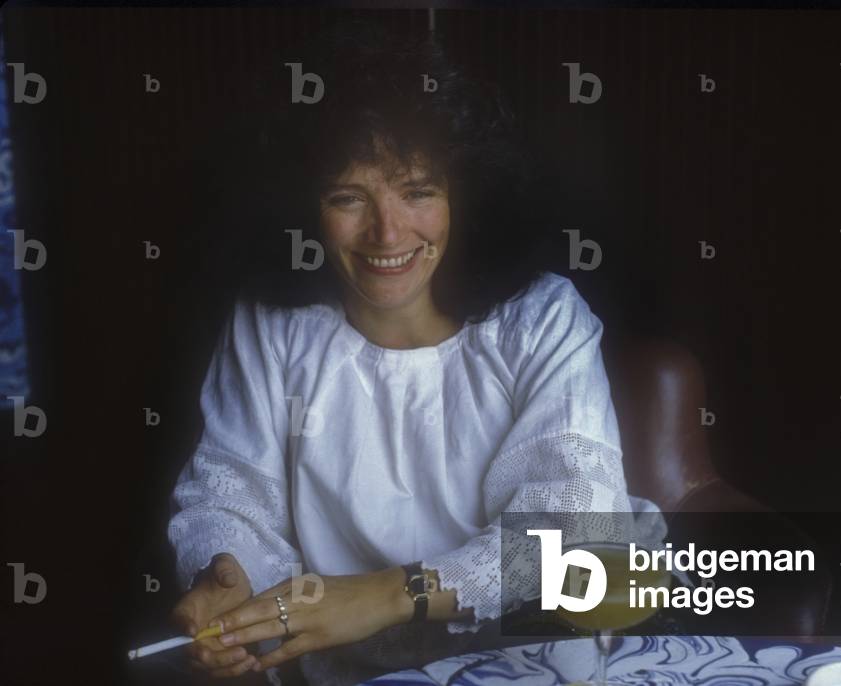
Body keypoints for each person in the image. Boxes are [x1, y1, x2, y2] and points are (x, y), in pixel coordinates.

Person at [167, 21, 661, 686]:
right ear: (305, 207)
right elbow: (230, 495)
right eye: (348, 197)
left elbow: (571, 538)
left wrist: (387, 594)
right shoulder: (270, 325)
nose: (387, 232)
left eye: (418, 191)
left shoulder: (542, 317)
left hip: (537, 640)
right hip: (344, 656)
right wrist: (230, 583)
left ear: (465, 196)